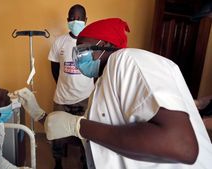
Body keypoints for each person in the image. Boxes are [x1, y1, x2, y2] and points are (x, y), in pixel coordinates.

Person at [16, 18, 212, 169]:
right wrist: (40, 114)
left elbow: (182, 146)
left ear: (106, 46)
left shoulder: (128, 60)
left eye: (82, 49)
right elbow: (96, 134)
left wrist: (78, 126)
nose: (77, 57)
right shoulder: (102, 85)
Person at [47, 4, 92, 169]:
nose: (76, 21)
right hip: (62, 98)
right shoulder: (60, 42)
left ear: (86, 20)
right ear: (67, 20)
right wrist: (63, 85)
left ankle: (85, 161)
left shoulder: (91, 43)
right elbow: (54, 69)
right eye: (72, 18)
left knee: (85, 134)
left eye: (79, 18)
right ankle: (58, 163)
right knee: (57, 133)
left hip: (84, 98)